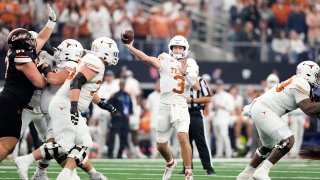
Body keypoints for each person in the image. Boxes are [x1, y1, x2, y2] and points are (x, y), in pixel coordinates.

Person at [124, 35, 200, 180]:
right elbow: (147, 59)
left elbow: (196, 86)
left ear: (185, 49)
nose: (177, 50)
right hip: (164, 106)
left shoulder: (191, 63)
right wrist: (130, 47)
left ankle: (189, 173)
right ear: (171, 48)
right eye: (175, 47)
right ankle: (170, 162)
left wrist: (184, 73)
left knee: (184, 139)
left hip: (180, 105)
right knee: (160, 146)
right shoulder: (165, 58)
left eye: (180, 47)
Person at [237, 60, 320, 180]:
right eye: (317, 75)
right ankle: (262, 171)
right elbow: (307, 108)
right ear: (308, 73)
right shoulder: (302, 82)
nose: (318, 78)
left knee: (267, 146)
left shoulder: (300, 82)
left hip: (260, 108)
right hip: (264, 110)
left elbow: (313, 110)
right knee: (288, 140)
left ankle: (245, 174)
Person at [54, 37, 118, 179]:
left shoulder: (92, 60)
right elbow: (76, 82)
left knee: (69, 145)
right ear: (105, 52)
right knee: (81, 144)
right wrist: (74, 107)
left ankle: (81, 174)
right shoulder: (96, 62)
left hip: (63, 104)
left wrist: (102, 103)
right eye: (112, 52)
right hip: (66, 105)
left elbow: (87, 89)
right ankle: (62, 175)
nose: (114, 56)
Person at [0, 4, 56, 162]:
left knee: (7, 143)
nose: (33, 41)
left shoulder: (19, 52)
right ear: (24, 43)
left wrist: (51, 22)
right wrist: (46, 70)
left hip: (10, 100)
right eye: (30, 39)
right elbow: (40, 83)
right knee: (8, 144)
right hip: (12, 102)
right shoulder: (22, 56)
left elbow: (42, 38)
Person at [178, 76, 216, 175]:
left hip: (196, 113)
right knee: (185, 141)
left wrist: (192, 100)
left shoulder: (200, 80)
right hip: (183, 112)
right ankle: (187, 166)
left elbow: (208, 97)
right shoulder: (180, 79)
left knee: (201, 141)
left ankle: (209, 167)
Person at [107, 79, 133, 159]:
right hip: (117, 119)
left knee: (124, 136)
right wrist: (114, 112)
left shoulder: (127, 95)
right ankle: (110, 153)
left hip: (125, 119)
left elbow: (130, 106)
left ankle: (120, 154)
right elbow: (108, 104)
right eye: (121, 84)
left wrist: (130, 113)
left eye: (123, 84)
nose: (122, 85)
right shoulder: (115, 95)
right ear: (119, 85)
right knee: (112, 136)